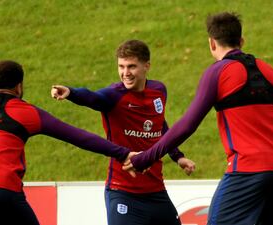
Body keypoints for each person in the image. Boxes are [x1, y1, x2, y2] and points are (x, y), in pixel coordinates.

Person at [123, 12, 273, 225]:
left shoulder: (218, 72)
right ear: (241, 41)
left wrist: (145, 158)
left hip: (247, 171)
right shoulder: (268, 70)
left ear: (211, 43)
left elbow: (187, 125)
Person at [0, 60, 135, 225]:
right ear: (19, 86)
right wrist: (122, 153)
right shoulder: (29, 113)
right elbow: (79, 136)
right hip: (6, 196)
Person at [51, 39, 196, 225]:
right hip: (123, 193)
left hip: (157, 192)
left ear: (147, 66)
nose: (125, 73)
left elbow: (160, 125)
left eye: (131, 66)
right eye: (121, 66)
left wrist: (178, 156)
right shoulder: (113, 95)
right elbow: (93, 98)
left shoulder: (159, 91)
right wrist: (71, 92)